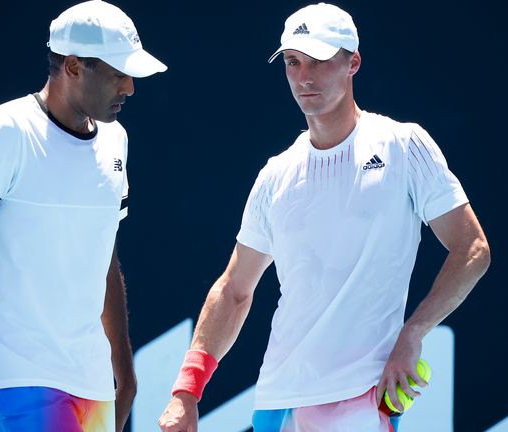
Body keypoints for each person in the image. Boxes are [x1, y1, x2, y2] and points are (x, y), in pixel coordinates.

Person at [158, 3, 489, 432]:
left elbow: (473, 249)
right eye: (293, 63)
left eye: (318, 60)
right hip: (278, 402)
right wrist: (186, 392)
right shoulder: (276, 174)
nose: (304, 77)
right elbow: (235, 289)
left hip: (363, 398)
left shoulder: (403, 145)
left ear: (353, 62)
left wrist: (413, 334)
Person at [0, 1, 166, 431]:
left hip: (90, 380)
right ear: (73, 67)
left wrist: (124, 370)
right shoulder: (7, 132)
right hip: (20, 376)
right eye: (117, 74)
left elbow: (102, 257)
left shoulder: (116, 140)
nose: (129, 87)